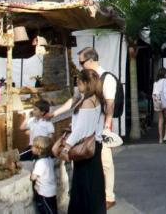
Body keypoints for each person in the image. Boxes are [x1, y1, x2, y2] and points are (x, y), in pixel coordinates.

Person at [48, 47, 118, 209]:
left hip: (90, 141)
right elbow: (75, 100)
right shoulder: (92, 94)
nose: (79, 65)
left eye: (81, 62)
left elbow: (82, 127)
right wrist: (55, 113)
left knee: (89, 181)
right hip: (94, 141)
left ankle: (107, 198)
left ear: (91, 60)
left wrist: (67, 147)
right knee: (94, 181)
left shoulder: (97, 89)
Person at [59, 69, 106, 214]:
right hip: (95, 146)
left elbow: (79, 130)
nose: (77, 86)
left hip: (85, 148)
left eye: (78, 83)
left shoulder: (87, 103)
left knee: (83, 189)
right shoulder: (98, 99)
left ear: (86, 83)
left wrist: (66, 147)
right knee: (94, 187)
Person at [31, 135, 57, 214]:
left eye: (33, 146)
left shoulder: (40, 163)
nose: (31, 148)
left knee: (47, 211)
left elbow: (33, 177)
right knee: (52, 209)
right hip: (52, 191)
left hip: (44, 193)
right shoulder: (49, 159)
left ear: (39, 150)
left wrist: (31, 174)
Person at [152, 67, 166, 144]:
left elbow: (154, 92)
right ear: (163, 74)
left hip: (156, 99)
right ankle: (165, 136)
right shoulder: (165, 80)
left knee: (160, 119)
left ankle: (160, 139)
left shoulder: (155, 82)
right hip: (163, 100)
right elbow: (165, 92)